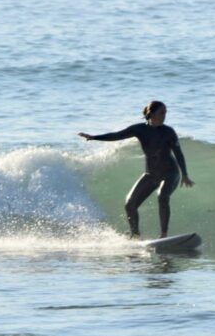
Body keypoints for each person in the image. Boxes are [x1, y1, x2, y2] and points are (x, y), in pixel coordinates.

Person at [78, 101, 194, 239]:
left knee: (162, 196)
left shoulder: (168, 132)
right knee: (130, 204)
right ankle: (135, 234)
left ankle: (163, 235)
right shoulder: (140, 129)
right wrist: (94, 137)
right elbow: (117, 135)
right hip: (151, 174)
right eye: (162, 112)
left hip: (170, 173)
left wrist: (185, 174)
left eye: (166, 112)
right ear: (152, 113)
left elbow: (178, 153)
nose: (164, 115)